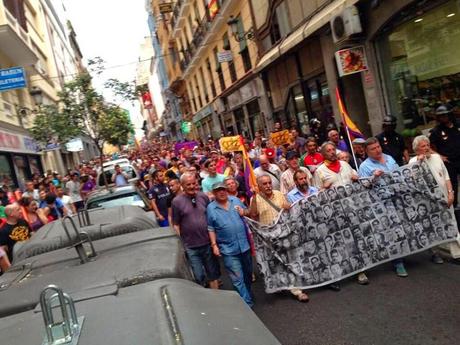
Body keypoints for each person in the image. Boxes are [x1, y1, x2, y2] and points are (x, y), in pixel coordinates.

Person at [249, 175, 309, 302]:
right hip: (268, 238)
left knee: (289, 262)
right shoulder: (255, 198)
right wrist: (254, 197)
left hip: (284, 235)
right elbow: (253, 214)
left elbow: (287, 207)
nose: (268, 185)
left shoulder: (279, 194)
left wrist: (287, 206)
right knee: (275, 264)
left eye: (269, 182)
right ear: (259, 186)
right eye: (264, 184)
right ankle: (281, 285)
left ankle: (297, 291)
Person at [358, 137, 408, 277]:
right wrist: (373, 177)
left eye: (378, 147)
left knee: (403, 227)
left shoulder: (389, 158)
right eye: (373, 149)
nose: (377, 150)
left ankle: (406, 253)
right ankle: (398, 263)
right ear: (367, 151)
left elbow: (400, 172)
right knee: (392, 231)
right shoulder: (365, 166)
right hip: (382, 203)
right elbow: (364, 186)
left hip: (398, 198)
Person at [410, 134, 457, 264]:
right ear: (416, 149)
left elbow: (446, 176)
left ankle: (457, 253)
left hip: (445, 196)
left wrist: (451, 193)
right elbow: (413, 182)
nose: (426, 148)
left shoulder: (436, 157)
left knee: (451, 222)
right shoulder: (413, 162)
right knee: (432, 226)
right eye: (423, 146)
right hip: (427, 201)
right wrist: (419, 162)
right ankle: (435, 253)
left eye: (427, 145)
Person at [207, 182, 253, 307]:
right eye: (218, 191)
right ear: (214, 193)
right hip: (228, 249)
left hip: (244, 245)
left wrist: (244, 211)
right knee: (237, 278)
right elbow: (211, 228)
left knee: (248, 274)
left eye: (223, 189)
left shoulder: (236, 200)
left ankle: (247, 294)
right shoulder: (211, 208)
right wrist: (214, 245)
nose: (221, 192)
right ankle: (247, 304)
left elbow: (249, 212)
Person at [172, 173, 220, 288]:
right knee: (198, 276)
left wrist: (215, 241)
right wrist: (180, 244)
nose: (192, 186)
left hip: (207, 244)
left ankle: (217, 299)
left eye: (194, 183)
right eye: (188, 184)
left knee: (213, 275)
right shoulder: (176, 202)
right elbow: (176, 225)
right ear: (182, 185)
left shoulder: (203, 197)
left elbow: (211, 217)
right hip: (191, 246)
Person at [429, 105, 460, 208]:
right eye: (441, 116)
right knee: (453, 185)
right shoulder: (436, 131)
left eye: (445, 115)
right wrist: (440, 156)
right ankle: (454, 208)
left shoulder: (457, 124)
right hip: (449, 162)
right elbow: (429, 147)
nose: (444, 118)